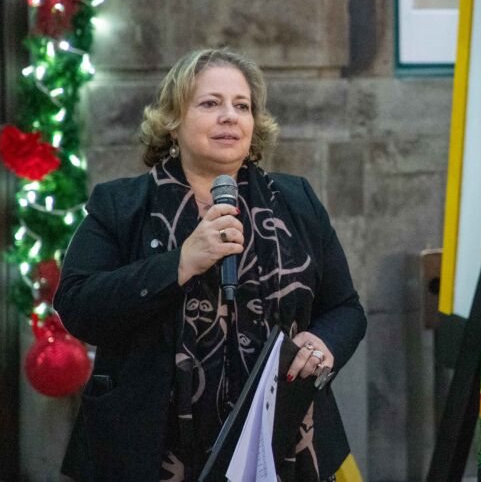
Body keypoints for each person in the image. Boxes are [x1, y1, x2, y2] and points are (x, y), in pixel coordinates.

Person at [54, 48, 366, 481]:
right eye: (210, 103)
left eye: (242, 106)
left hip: (280, 448)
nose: (230, 116)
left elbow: (346, 308)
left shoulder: (297, 202)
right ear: (173, 122)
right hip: (152, 452)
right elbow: (77, 304)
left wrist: (324, 342)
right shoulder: (122, 206)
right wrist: (180, 263)